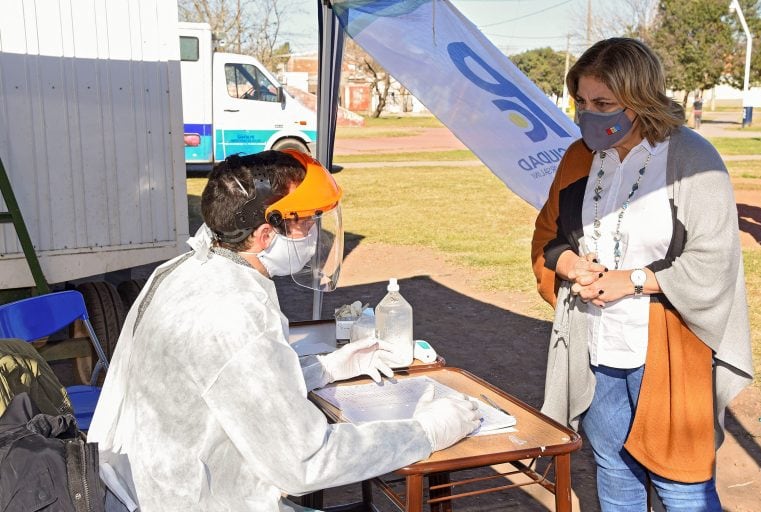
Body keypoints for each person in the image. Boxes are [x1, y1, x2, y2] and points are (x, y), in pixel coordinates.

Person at [87, 150, 481, 511]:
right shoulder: (236, 310)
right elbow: (304, 461)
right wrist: (425, 432)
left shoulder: (185, 269)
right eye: (306, 220)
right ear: (264, 235)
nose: (313, 232)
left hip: (140, 486)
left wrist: (324, 368)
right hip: (192, 499)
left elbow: (225, 384)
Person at [531, 38, 752, 511]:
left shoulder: (691, 159)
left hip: (669, 346)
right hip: (595, 342)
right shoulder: (579, 156)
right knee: (613, 468)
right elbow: (549, 233)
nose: (588, 114)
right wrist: (569, 265)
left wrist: (632, 280)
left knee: (681, 483)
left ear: (641, 98)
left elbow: (715, 261)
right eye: (582, 102)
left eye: (603, 103)